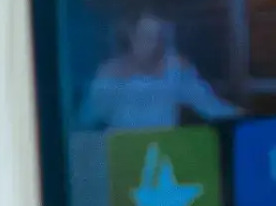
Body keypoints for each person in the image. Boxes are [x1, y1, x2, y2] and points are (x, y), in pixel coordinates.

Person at [79, 11, 243, 130]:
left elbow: (211, 107)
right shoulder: (110, 73)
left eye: (159, 38)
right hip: (123, 156)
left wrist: (247, 116)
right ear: (132, 36)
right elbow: (86, 121)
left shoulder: (176, 69)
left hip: (164, 154)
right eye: (147, 37)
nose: (155, 45)